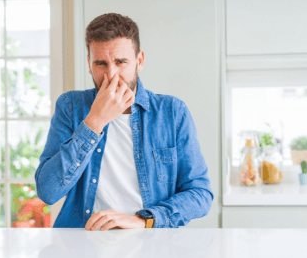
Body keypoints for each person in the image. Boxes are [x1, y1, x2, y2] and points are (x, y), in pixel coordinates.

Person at [35, 13, 214, 230]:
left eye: (121, 62)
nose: (111, 75)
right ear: (90, 65)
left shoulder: (173, 112)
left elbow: (200, 194)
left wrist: (143, 220)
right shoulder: (70, 106)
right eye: (101, 63)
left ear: (139, 61)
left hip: (149, 245)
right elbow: (48, 192)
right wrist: (94, 122)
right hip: (83, 244)